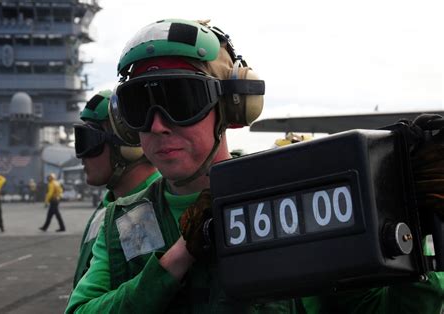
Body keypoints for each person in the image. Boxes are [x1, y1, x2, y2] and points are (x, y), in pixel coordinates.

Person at [66, 19, 443, 313]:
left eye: (180, 100)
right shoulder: (124, 222)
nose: (158, 124)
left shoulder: (296, 195)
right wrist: (179, 257)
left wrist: (412, 237)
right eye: (138, 107)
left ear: (230, 108)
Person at [71, 90, 161, 287]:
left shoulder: (140, 214)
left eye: (89, 141)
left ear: (127, 145)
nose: (82, 156)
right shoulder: (110, 207)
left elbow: (144, 295)